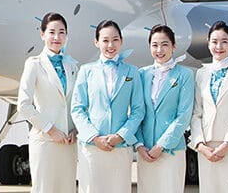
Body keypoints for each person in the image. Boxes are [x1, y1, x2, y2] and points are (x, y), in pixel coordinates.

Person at [71, 19, 144, 193]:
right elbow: (77, 108)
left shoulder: (132, 72)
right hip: (92, 147)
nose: (110, 45)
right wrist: (95, 137)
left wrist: (121, 135)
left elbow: (138, 110)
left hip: (120, 147)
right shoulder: (86, 71)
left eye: (115, 40)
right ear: (96, 42)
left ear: (121, 41)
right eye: (105, 40)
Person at [189, 21, 228, 193]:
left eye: (224, 41)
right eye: (214, 41)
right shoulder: (202, 74)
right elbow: (196, 113)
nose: (219, 46)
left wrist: (227, 144)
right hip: (207, 147)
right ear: (208, 43)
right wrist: (200, 145)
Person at [17, 12, 79, 193]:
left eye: (62, 32)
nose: (57, 37)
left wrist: (75, 129)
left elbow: (76, 103)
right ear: (42, 34)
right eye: (52, 32)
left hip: (68, 142)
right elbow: (24, 105)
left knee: (66, 188)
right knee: (44, 189)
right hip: (45, 140)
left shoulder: (72, 66)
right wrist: (51, 130)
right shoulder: (34, 64)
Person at [135, 24, 194, 193]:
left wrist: (161, 145)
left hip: (171, 149)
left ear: (174, 46)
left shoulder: (184, 75)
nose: (159, 50)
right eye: (154, 45)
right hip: (145, 150)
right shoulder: (142, 74)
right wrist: (139, 145)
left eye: (165, 44)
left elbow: (184, 115)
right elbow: (137, 113)